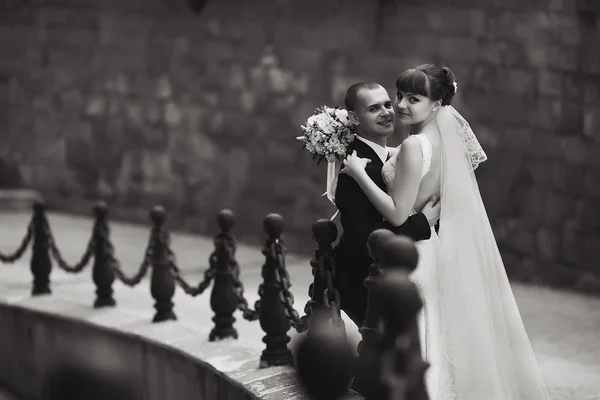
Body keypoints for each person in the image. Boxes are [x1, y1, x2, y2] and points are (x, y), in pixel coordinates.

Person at [340, 64, 549, 399]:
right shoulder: (437, 139)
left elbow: (396, 213)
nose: (401, 105)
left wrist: (359, 174)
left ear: (435, 103)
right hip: (429, 245)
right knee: (433, 333)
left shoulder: (413, 145)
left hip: (414, 253)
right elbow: (415, 173)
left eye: (414, 98)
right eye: (400, 95)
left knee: (419, 335)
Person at [333, 82, 441, 329]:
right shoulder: (356, 168)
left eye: (386, 104)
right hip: (365, 280)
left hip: (392, 269)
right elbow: (367, 238)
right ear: (354, 118)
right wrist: (421, 223)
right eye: (374, 109)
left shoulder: (385, 155)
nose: (386, 112)